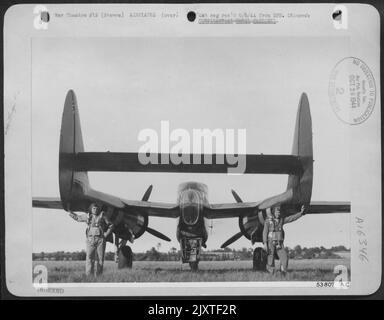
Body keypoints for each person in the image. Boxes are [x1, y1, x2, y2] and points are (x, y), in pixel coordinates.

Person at [69, 203, 114, 277]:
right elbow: (78, 218)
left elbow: (111, 225)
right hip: (90, 240)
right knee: (89, 258)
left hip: (100, 240)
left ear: (99, 209)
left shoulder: (103, 216)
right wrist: (70, 212)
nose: (95, 210)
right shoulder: (88, 216)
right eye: (93, 208)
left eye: (96, 208)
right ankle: (89, 276)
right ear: (91, 209)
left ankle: (99, 276)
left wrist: (106, 234)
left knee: (100, 259)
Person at [263, 204, 305, 275]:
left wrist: (301, 213)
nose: (278, 214)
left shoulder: (281, 220)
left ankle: (283, 273)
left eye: (279, 212)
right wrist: (265, 243)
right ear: (273, 212)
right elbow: (265, 232)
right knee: (270, 259)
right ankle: (271, 274)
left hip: (279, 243)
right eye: (276, 212)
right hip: (270, 243)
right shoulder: (268, 221)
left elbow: (291, 218)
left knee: (284, 258)